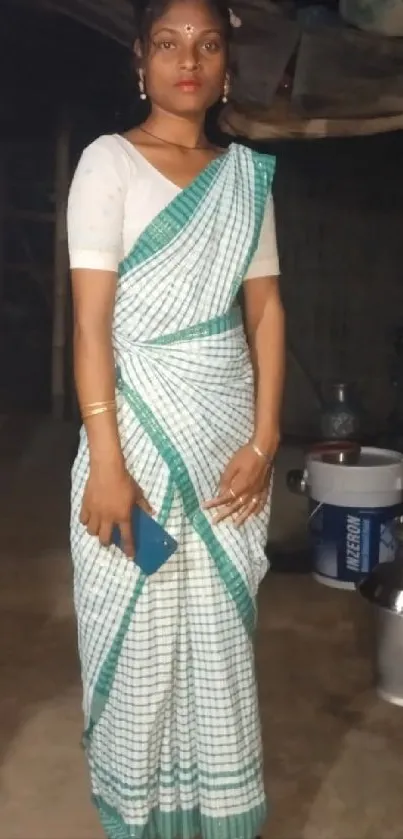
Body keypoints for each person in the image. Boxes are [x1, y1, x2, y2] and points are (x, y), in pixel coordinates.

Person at [67, 0, 285, 837]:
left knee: (220, 648)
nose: (186, 60)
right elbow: (91, 324)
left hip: (226, 445)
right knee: (134, 640)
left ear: (228, 65)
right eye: (167, 43)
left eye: (206, 45)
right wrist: (108, 462)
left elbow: (264, 312)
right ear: (140, 61)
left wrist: (265, 442)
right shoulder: (109, 164)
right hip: (131, 446)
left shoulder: (244, 179)